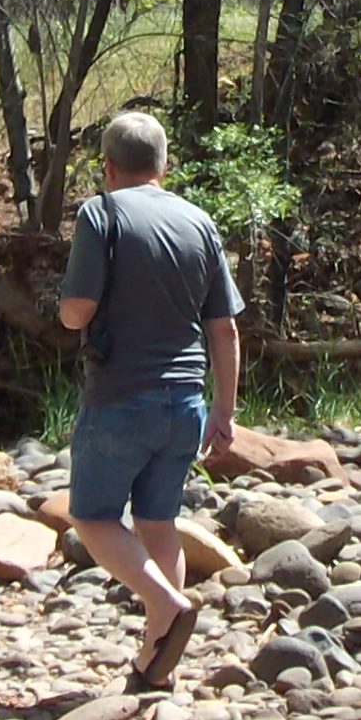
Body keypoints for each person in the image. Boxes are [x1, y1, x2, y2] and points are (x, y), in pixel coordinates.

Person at [56, 107, 243, 688]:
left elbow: (76, 313)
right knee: (159, 524)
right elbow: (226, 330)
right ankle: (154, 662)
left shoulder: (100, 213)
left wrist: (65, 308)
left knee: (91, 517)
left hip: (119, 397)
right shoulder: (199, 222)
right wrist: (224, 412)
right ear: (164, 165)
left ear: (107, 167)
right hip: (186, 401)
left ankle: (166, 607)